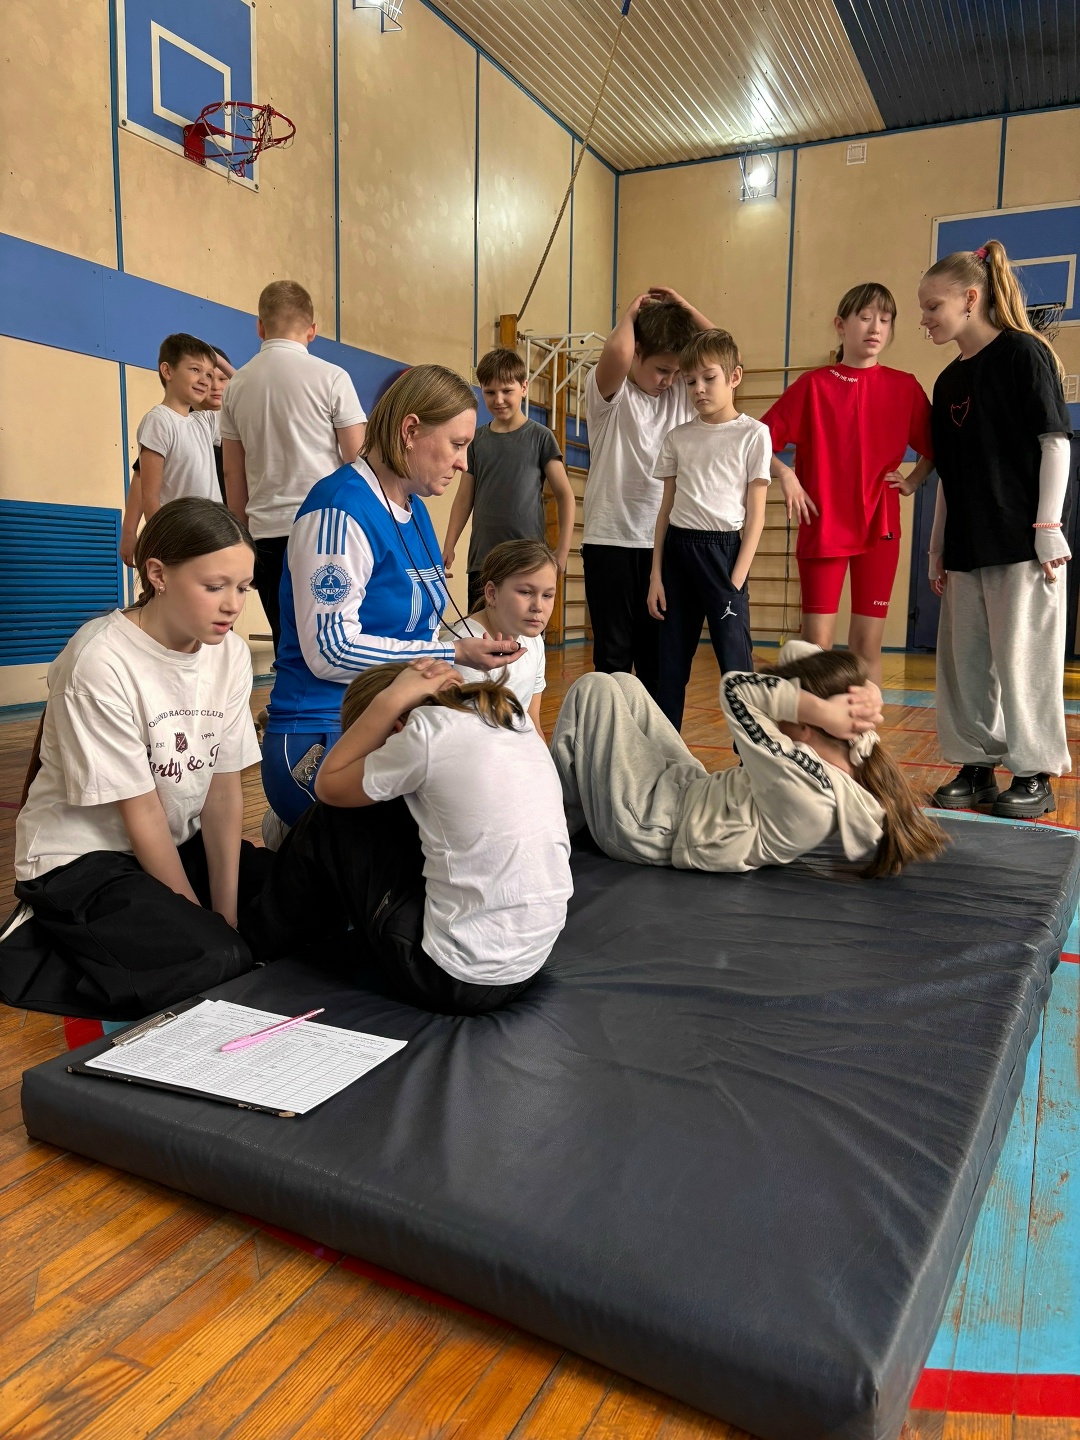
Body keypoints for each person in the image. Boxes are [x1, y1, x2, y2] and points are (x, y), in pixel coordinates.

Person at [0, 499, 268, 1020]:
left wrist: (227, 915)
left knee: (298, 904)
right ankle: (32, 947)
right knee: (215, 959)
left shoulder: (230, 653)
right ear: (158, 575)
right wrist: (208, 928)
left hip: (172, 844)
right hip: (85, 860)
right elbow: (140, 812)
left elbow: (223, 790)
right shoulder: (100, 659)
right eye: (215, 586)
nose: (233, 605)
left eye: (243, 587)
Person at [262, 364, 525, 828]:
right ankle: (296, 840)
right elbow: (331, 651)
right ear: (410, 431)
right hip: (323, 734)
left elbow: (414, 634)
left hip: (391, 723)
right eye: (457, 444)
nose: (464, 463)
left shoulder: (416, 511)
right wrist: (452, 652)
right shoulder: (339, 509)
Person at [246, 658, 573, 1016]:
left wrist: (388, 700)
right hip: (530, 960)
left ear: (395, 727)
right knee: (403, 806)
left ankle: (259, 946)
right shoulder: (510, 716)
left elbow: (328, 786)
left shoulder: (424, 734)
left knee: (332, 815)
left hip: (454, 978)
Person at [551, 641, 947, 877]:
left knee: (595, 688)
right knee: (625, 684)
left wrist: (823, 708)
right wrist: (867, 689)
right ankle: (577, 807)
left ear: (805, 725)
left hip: (651, 828)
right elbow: (797, 655)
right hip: (689, 794)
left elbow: (735, 688)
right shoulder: (849, 746)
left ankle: (553, 827)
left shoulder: (805, 788)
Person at [919, 240, 1072, 818]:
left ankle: (1033, 773)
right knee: (966, 666)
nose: (925, 319)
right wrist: (936, 548)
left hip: (1022, 544)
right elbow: (949, 476)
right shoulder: (946, 383)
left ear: (970, 298)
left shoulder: (1024, 354)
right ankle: (977, 764)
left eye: (933, 306)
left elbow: (1054, 442)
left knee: (1024, 662)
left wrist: (1048, 525)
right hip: (966, 548)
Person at [763, 283, 935, 686]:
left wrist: (912, 481)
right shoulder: (813, 386)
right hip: (823, 523)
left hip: (880, 527)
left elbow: (936, 448)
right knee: (815, 645)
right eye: (865, 317)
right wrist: (786, 475)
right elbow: (755, 442)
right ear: (841, 325)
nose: (875, 328)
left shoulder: (904, 386)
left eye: (885, 320)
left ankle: (867, 723)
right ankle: (814, 722)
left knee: (867, 645)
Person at [220, 281, 368, 649]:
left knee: (285, 640)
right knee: (334, 639)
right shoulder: (332, 377)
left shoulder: (236, 387)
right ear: (312, 329)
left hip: (266, 531)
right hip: (326, 528)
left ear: (260, 326)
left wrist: (241, 540)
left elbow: (232, 471)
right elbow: (360, 462)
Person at [582, 287, 715, 696]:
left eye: (676, 372)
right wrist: (631, 313)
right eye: (661, 370)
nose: (669, 380)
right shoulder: (609, 393)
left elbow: (721, 353)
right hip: (611, 542)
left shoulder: (679, 395)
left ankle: (655, 737)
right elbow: (618, 352)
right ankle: (612, 734)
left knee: (659, 662)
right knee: (613, 660)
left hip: (665, 546)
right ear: (637, 352)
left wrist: (685, 308)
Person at [648, 328, 771, 730]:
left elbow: (756, 515)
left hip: (724, 555)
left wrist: (735, 579)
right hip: (678, 554)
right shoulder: (678, 438)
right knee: (670, 666)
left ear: (734, 377)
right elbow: (665, 510)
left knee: (735, 664)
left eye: (709, 378)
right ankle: (665, 752)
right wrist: (656, 575)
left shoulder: (754, 434)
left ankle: (749, 754)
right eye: (690, 381)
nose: (698, 388)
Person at [441, 347, 575, 612]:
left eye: (507, 391)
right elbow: (464, 498)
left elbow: (565, 495)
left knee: (525, 631)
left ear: (524, 387)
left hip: (528, 561)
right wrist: (449, 544)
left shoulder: (541, 437)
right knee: (480, 630)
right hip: (483, 562)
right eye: (490, 392)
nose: (499, 399)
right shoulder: (477, 441)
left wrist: (562, 552)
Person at [121, 345, 234, 567]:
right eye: (198, 371)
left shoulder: (215, 423)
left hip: (218, 531)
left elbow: (246, 392)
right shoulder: (165, 421)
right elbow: (144, 481)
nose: (213, 384)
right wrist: (129, 531)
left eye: (220, 378)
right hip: (182, 531)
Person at [448, 537, 558, 736]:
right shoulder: (463, 652)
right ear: (491, 593)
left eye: (547, 595)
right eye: (526, 592)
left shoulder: (533, 641)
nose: (538, 607)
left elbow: (533, 721)